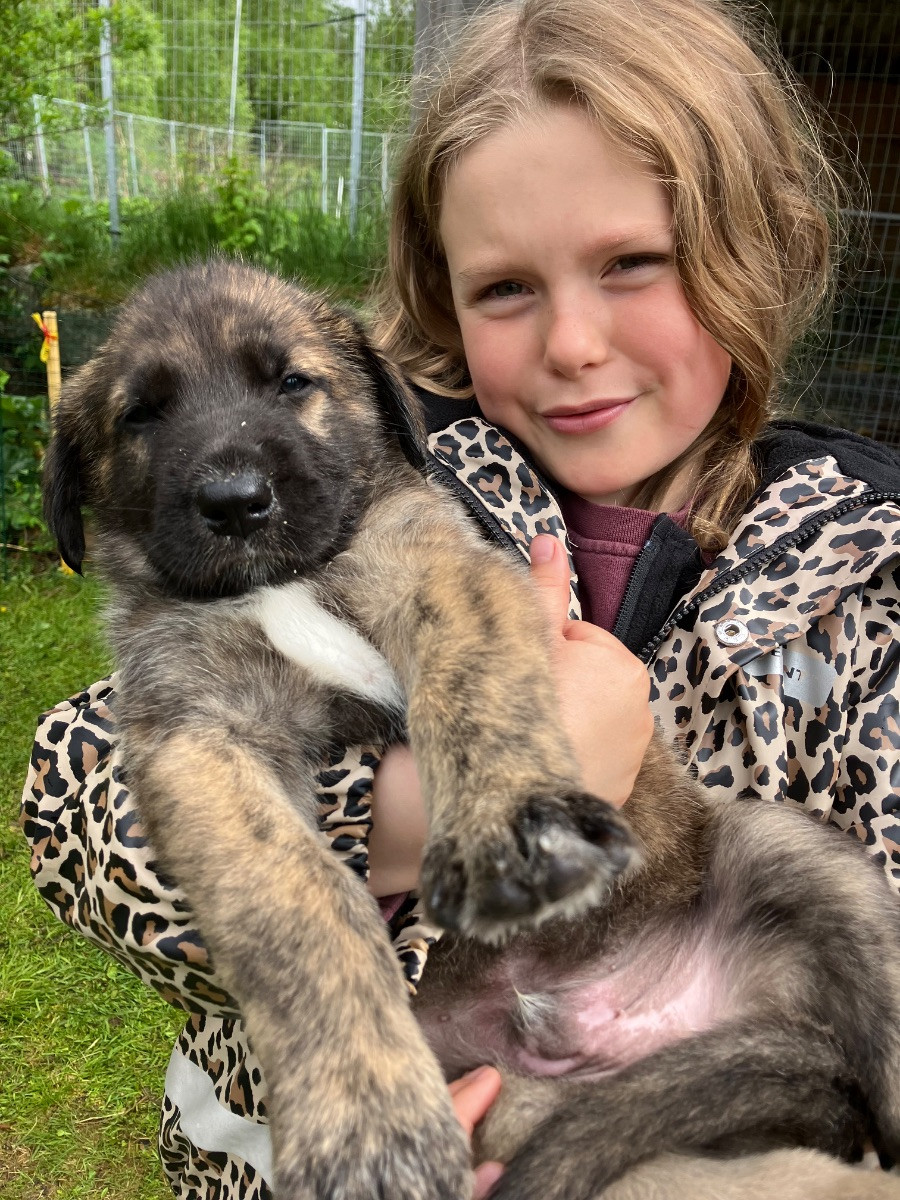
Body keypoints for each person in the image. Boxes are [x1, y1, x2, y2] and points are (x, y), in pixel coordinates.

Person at [21, 0, 900, 1195]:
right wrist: (413, 815)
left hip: (713, 984)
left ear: (760, 249)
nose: (575, 344)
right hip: (466, 1079)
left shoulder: (869, 559)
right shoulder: (429, 453)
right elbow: (84, 798)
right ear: (441, 300)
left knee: (816, 886)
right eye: (505, 289)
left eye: (632, 264)